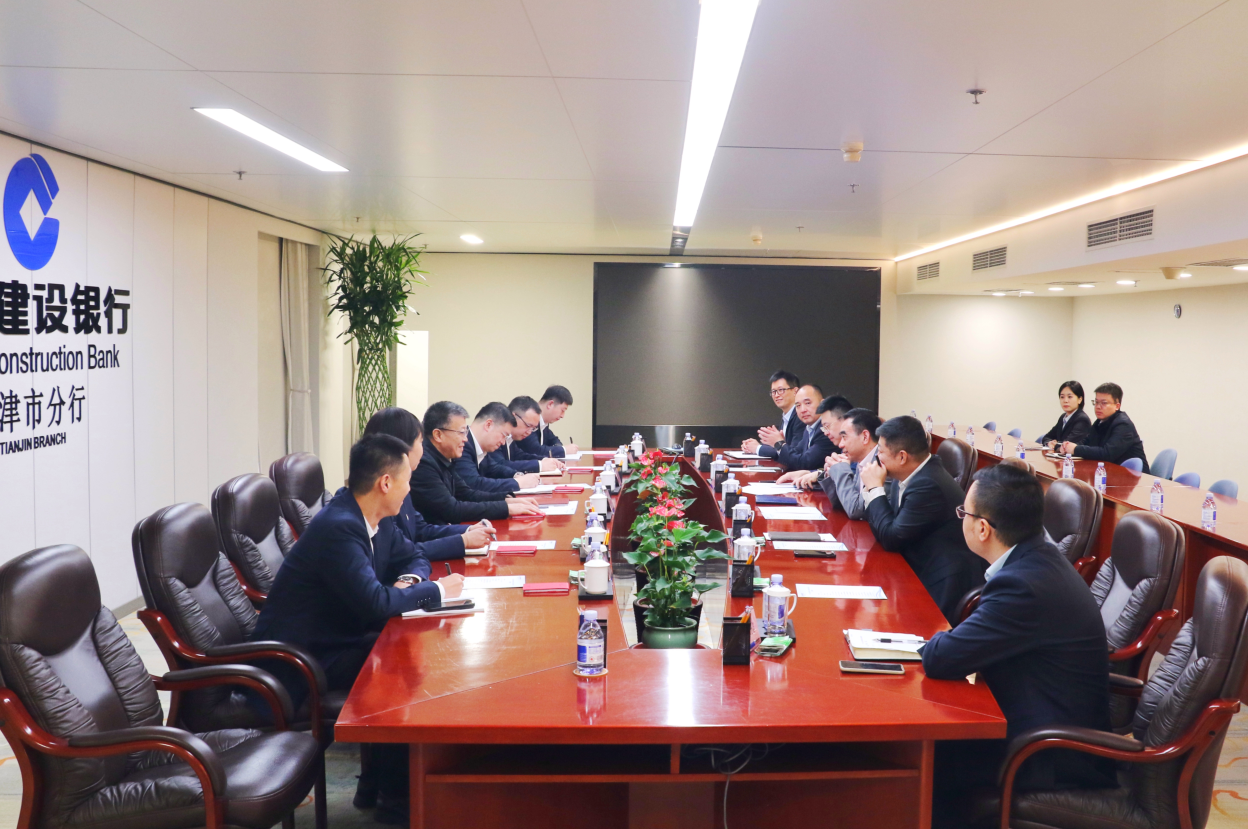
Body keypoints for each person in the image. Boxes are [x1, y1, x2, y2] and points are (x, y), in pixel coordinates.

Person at [252, 433, 466, 824]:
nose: (409, 490)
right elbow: (375, 604)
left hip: (338, 636)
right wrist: (436, 590)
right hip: (302, 661)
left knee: (402, 658)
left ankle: (380, 785)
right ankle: (396, 799)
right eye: (406, 481)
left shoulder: (374, 517)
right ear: (385, 482)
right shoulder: (340, 527)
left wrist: (411, 582)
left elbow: (414, 555)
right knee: (399, 671)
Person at [921, 464, 1115, 828]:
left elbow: (940, 658)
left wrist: (934, 638)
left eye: (963, 512)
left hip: (1050, 754)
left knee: (927, 757)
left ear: (982, 528)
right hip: (1042, 721)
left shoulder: (1022, 585)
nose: (961, 519)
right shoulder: (1036, 558)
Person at [860, 415, 986, 623]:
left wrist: (874, 488)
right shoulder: (910, 475)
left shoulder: (927, 484)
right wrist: (874, 490)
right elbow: (886, 528)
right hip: (918, 567)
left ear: (902, 457)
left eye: (880, 452)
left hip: (942, 583)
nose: (876, 459)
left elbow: (891, 537)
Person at [362, 407, 495, 560]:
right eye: (420, 442)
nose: (423, 449)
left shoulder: (400, 484)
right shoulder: (379, 497)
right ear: (399, 448)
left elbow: (420, 530)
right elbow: (400, 555)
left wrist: (468, 530)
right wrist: (463, 541)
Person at [410, 401, 544, 524]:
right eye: (461, 432)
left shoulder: (443, 457)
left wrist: (507, 499)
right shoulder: (424, 463)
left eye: (465, 432)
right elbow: (452, 510)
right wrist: (506, 508)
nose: (465, 439)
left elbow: (467, 493)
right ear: (438, 435)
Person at [454, 402, 542, 494]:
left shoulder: (478, 445)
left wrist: (517, 475)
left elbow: (493, 468)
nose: (503, 442)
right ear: (488, 425)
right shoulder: (462, 445)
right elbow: (474, 483)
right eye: (503, 435)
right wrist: (517, 483)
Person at [1060, 382, 1149, 472]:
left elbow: (1107, 454)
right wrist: (1067, 446)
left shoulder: (1123, 424)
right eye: (1096, 402)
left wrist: (1075, 449)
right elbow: (1087, 442)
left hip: (1135, 477)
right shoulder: (1100, 422)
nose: (1098, 407)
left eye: (1104, 403)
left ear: (1117, 406)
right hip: (1109, 472)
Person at [745, 387, 839, 471]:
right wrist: (780, 445)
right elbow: (795, 453)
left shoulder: (826, 430)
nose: (803, 410)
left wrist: (779, 444)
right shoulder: (809, 428)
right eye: (798, 405)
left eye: (808, 403)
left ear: (822, 404)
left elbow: (804, 463)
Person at [816, 408, 881, 519]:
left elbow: (855, 510)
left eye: (844, 437)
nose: (840, 445)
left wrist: (841, 471)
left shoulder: (881, 463)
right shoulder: (862, 461)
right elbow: (843, 504)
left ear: (865, 437)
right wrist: (831, 473)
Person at [489, 395, 564, 475]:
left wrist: (544, 460)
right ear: (514, 417)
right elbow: (501, 465)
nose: (529, 432)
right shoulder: (495, 436)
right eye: (528, 426)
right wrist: (540, 465)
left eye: (533, 428)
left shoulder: (511, 438)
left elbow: (519, 456)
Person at [515, 385, 579, 458]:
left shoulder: (544, 422)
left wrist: (558, 447)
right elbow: (535, 450)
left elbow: (553, 440)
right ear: (550, 404)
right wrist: (563, 450)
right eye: (562, 410)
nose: (562, 416)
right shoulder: (529, 418)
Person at [747, 370, 803, 454]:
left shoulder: (801, 416)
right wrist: (754, 446)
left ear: (795, 391)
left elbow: (792, 452)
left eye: (781, 390)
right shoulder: (786, 416)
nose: (776, 395)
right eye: (773, 391)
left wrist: (757, 448)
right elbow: (781, 448)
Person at [1040, 380, 1092, 449]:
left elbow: (1067, 444)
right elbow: (1047, 437)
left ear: (1080, 399)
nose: (1065, 401)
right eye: (1062, 397)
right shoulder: (1063, 417)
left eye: (1069, 397)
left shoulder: (1082, 419)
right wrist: (1049, 443)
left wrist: (1055, 445)